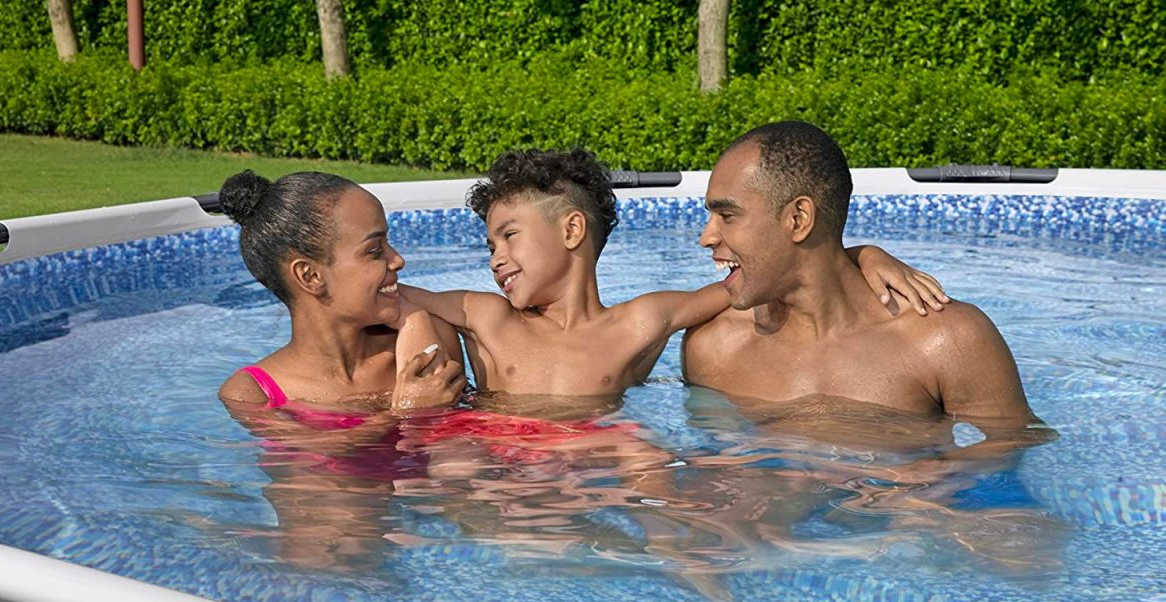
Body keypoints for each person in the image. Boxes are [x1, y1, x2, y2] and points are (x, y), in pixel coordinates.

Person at [400, 147, 947, 399]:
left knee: (650, 468)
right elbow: (390, 296)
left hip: (597, 474)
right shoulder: (487, 316)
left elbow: (770, 275)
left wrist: (864, 255)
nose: (494, 256)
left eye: (508, 235)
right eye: (490, 242)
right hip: (503, 472)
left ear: (571, 232)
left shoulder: (644, 321)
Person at [684, 121, 1043, 437]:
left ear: (798, 219)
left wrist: (931, 481)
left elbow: (1012, 446)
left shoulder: (946, 339)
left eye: (727, 216)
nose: (707, 237)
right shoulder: (713, 348)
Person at [217, 169, 466, 414]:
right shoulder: (253, 394)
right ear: (310, 276)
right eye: (374, 250)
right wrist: (405, 413)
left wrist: (416, 319)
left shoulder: (430, 336)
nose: (398, 260)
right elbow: (319, 455)